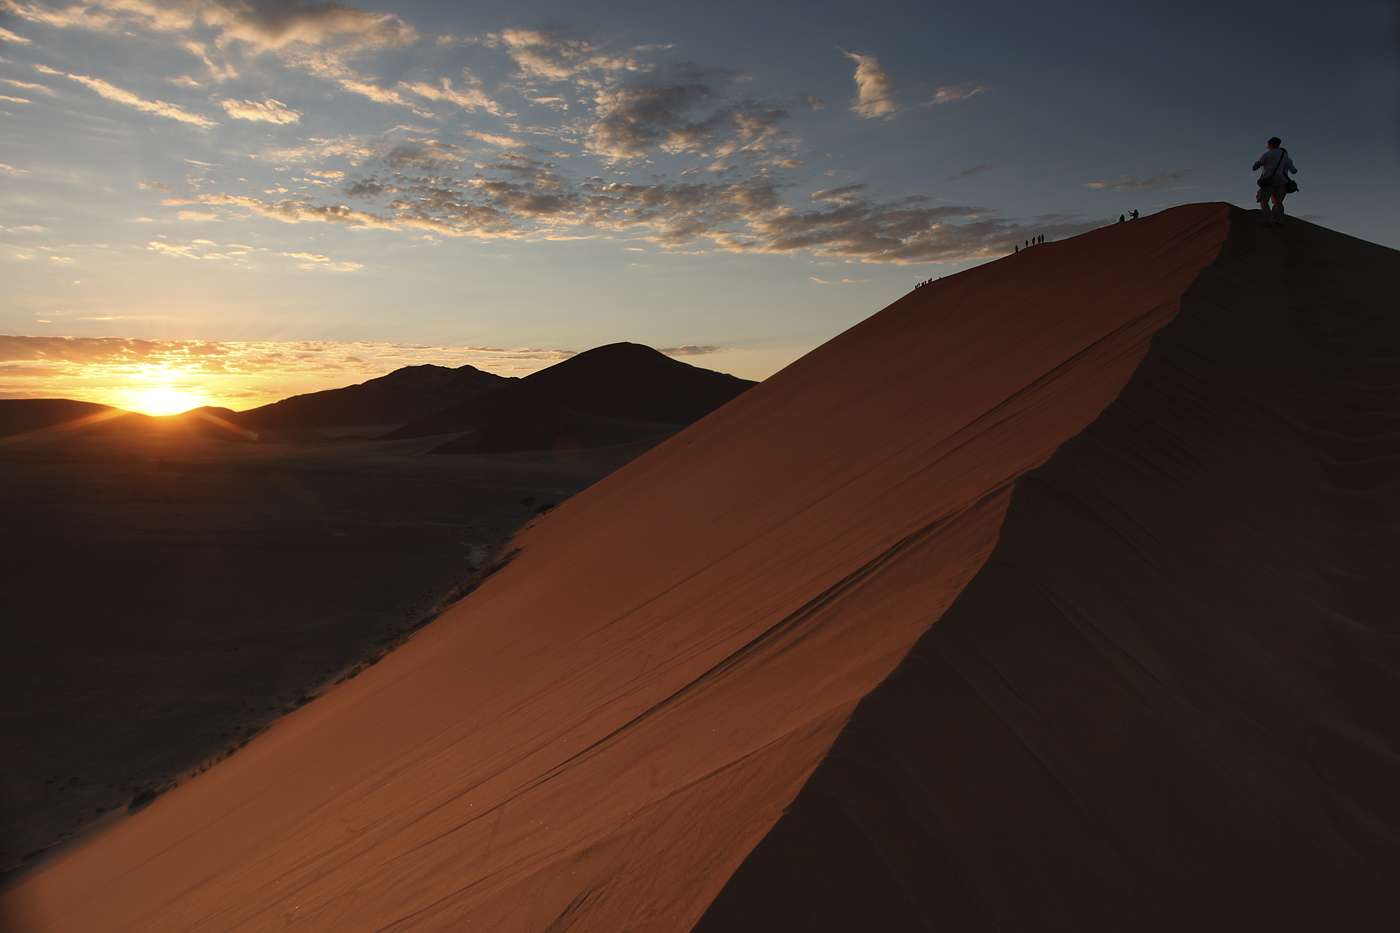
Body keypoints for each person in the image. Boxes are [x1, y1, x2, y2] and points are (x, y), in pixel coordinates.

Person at [1253, 137, 1297, 227]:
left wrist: (1258, 164)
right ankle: (1279, 221)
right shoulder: (1285, 155)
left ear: (1270, 144)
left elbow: (1255, 167)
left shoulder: (1267, 154)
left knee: (1263, 200)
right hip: (1280, 180)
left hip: (1269, 179)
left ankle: (1268, 221)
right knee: (1278, 202)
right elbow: (1294, 170)